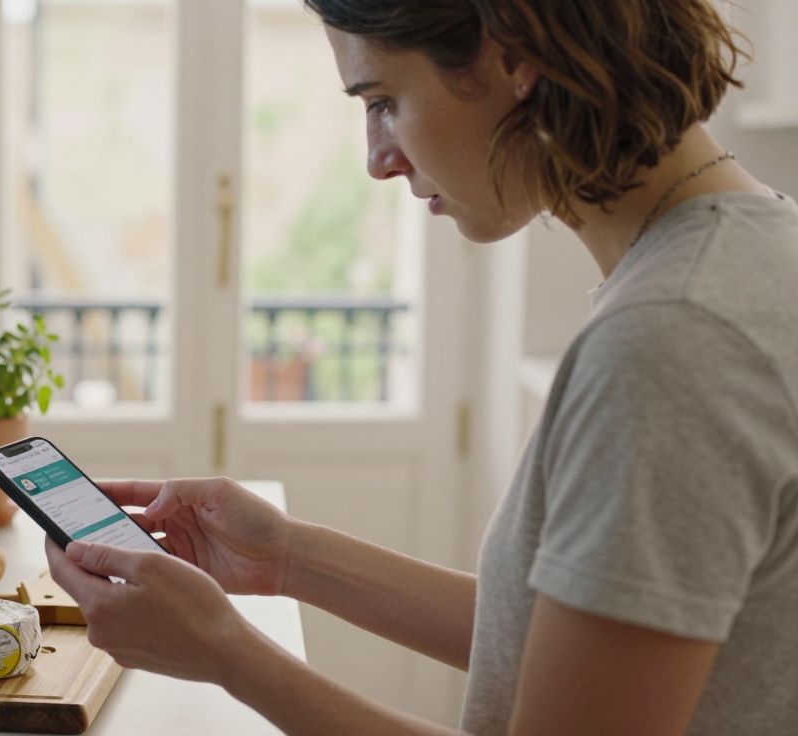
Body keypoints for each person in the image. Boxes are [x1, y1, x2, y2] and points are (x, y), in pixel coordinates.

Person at [45, 0, 798, 733]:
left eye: (382, 100)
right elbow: (566, 645)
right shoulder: (747, 256)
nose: (377, 159)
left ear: (513, 53)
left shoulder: (670, 339)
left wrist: (227, 655)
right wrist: (286, 557)